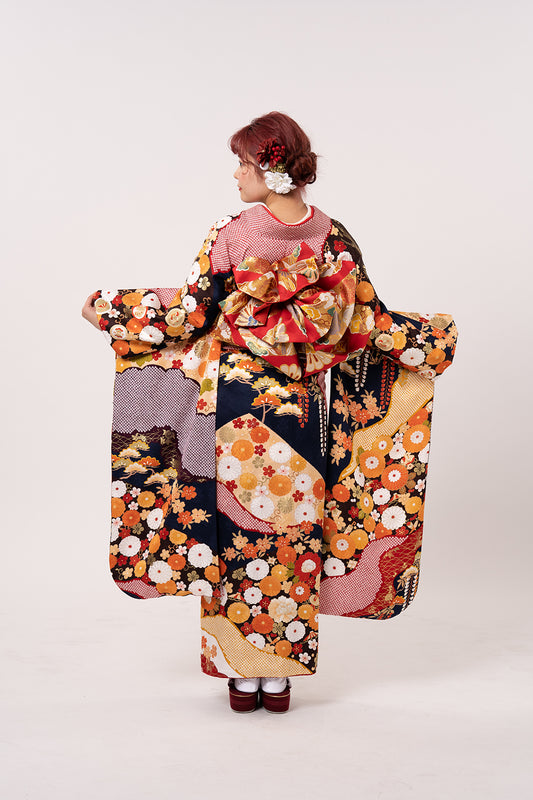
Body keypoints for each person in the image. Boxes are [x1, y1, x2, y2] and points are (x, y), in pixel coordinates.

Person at [82, 111, 457, 714]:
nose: (235, 175)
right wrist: (429, 341)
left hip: (234, 407)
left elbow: (190, 313)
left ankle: (241, 673)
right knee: (291, 529)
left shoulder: (231, 233)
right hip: (301, 407)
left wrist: (111, 310)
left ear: (268, 168)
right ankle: (279, 679)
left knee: (234, 530)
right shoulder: (333, 236)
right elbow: (366, 318)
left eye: (242, 163)